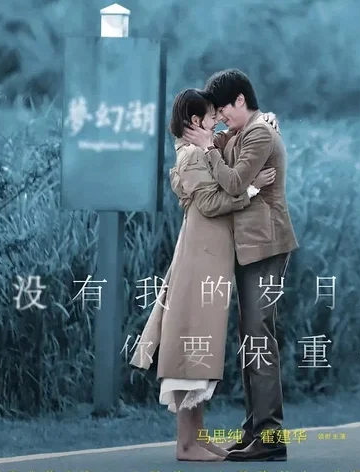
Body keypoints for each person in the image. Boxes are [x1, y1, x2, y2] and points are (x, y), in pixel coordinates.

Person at [129, 88, 279, 462]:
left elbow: (225, 147)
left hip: (206, 256)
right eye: (213, 116)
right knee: (191, 340)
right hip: (200, 257)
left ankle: (196, 438)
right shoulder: (193, 154)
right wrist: (253, 188)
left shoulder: (198, 150)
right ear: (196, 121)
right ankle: (186, 443)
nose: (218, 122)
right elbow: (211, 203)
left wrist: (261, 123)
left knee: (201, 343)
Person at [183, 69, 299, 462]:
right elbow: (214, 148)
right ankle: (256, 430)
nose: (220, 118)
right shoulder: (242, 133)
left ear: (240, 100)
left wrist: (210, 149)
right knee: (251, 339)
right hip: (250, 249)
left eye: (222, 110)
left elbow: (233, 183)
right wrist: (208, 140)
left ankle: (270, 436)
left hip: (265, 246)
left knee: (259, 338)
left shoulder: (259, 134)